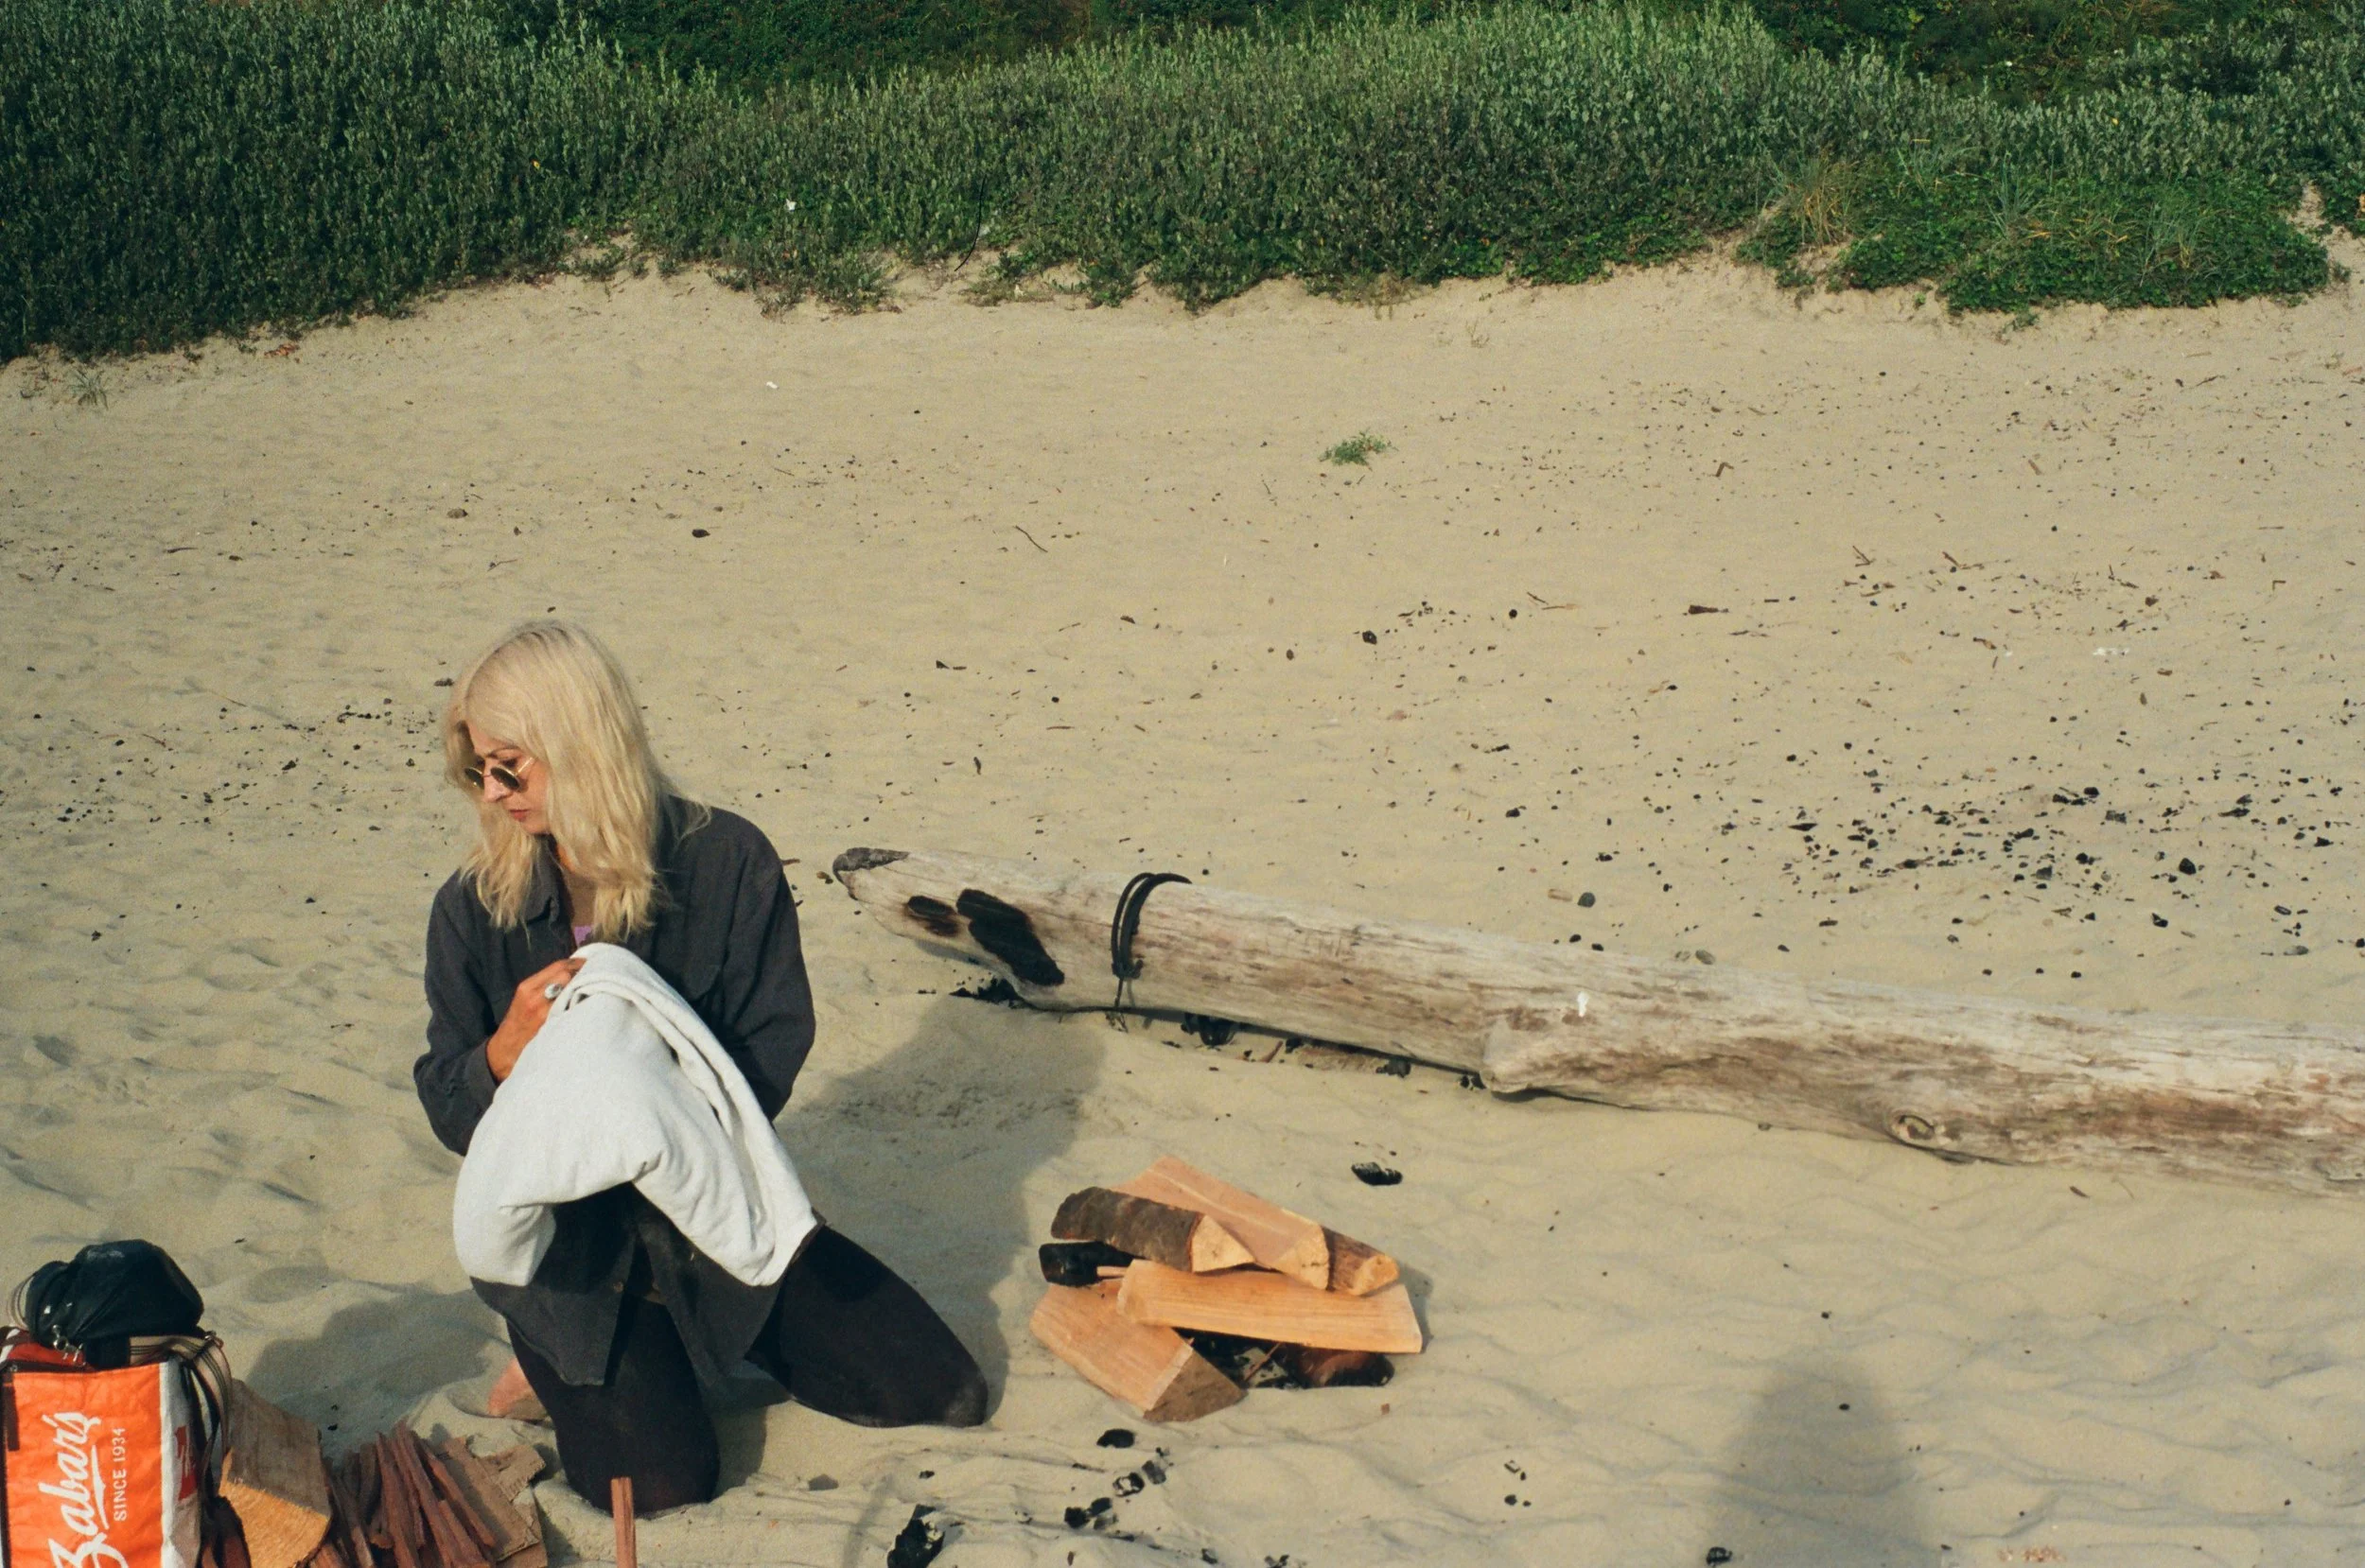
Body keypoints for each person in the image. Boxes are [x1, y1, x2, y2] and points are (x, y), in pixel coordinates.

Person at [414, 620, 986, 1514]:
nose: (491, 792)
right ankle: (556, 1356)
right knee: (661, 1488)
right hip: (572, 1253)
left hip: (714, 1205)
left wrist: (658, 1123)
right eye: (474, 770)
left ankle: (712, 1330)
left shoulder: (727, 862)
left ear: (576, 740)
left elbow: (772, 1043)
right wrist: (501, 1054)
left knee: (939, 1392)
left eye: (509, 766)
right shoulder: (473, 909)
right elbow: (451, 1109)